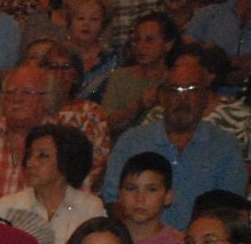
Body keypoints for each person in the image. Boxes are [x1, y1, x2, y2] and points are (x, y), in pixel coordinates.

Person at [102, 57, 246, 232]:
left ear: (206, 97)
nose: (183, 98)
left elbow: (231, 211)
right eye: (175, 90)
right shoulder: (132, 142)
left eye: (192, 90)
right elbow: (112, 200)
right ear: (162, 97)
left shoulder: (225, 147)